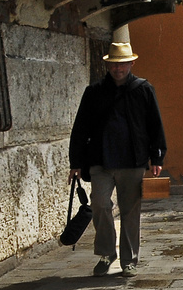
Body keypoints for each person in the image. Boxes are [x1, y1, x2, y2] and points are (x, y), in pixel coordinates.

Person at [69, 39, 166, 276]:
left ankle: (129, 260)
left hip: (132, 161)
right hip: (100, 161)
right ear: (108, 66)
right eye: (114, 65)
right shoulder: (93, 93)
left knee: (130, 210)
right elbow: (80, 127)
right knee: (100, 205)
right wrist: (76, 162)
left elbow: (155, 125)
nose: (118, 69)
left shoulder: (143, 89)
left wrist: (157, 157)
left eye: (122, 64)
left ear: (131, 63)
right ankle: (106, 254)